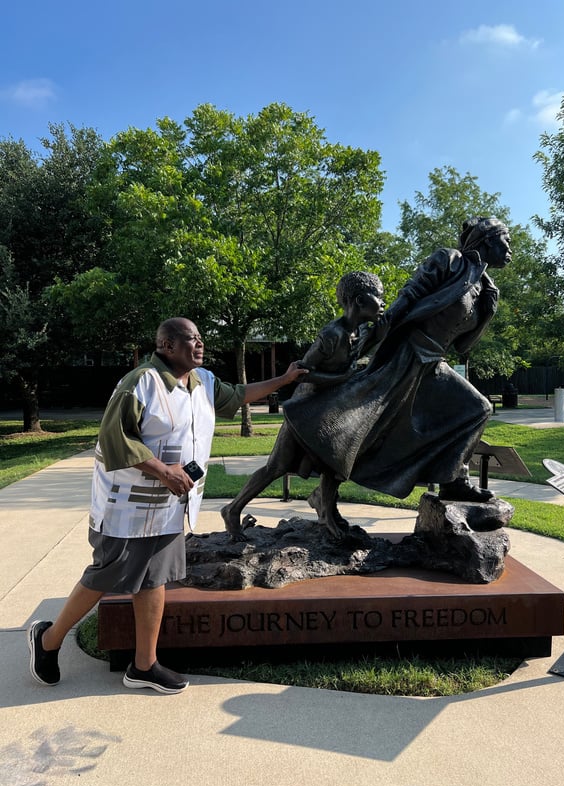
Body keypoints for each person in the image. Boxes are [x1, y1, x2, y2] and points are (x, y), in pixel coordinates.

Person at [28, 317, 307, 694]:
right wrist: (163, 471)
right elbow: (115, 438)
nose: (200, 345)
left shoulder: (203, 382)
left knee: (155, 578)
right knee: (106, 575)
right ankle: (48, 640)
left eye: (201, 339)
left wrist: (284, 380)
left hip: (170, 504)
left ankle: (144, 665)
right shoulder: (139, 383)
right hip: (127, 505)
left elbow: (239, 394)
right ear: (166, 345)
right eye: (191, 339)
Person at [283, 217, 511, 503]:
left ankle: (454, 481)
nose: (510, 248)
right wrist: (373, 335)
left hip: (434, 362)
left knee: (476, 409)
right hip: (407, 354)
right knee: (363, 426)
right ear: (488, 239)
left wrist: (488, 310)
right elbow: (409, 295)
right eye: (507, 240)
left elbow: (463, 346)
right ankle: (324, 495)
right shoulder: (450, 261)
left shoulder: (485, 286)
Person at [221, 271, 386, 538]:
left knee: (335, 463)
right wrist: (341, 377)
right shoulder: (331, 334)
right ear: (358, 301)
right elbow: (304, 371)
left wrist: (379, 336)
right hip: (306, 410)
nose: (382, 303)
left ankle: (326, 513)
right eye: (378, 298)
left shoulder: (359, 331)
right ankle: (233, 509)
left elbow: (358, 353)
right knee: (276, 467)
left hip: (330, 408)